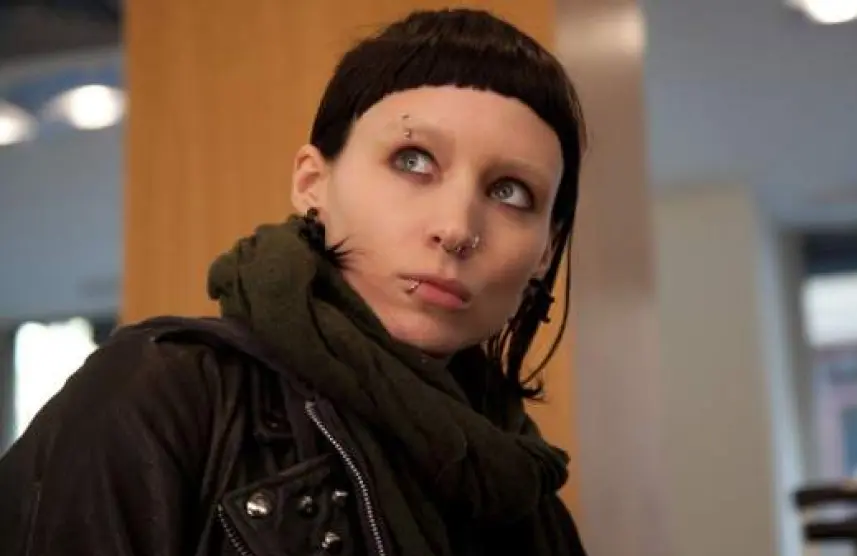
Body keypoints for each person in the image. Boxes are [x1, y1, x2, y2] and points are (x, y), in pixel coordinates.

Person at [0, 7, 587, 556]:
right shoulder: (158, 396)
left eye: (511, 193)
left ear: (545, 251)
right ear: (312, 184)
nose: (457, 229)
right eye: (413, 161)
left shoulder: (528, 497)